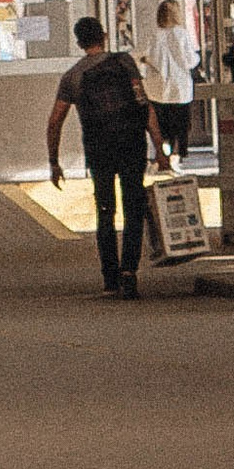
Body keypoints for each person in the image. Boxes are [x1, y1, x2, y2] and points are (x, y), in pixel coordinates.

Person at [46, 18, 154, 296]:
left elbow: (55, 121)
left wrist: (54, 162)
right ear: (104, 36)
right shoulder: (124, 63)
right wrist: (159, 144)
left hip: (99, 148)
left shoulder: (72, 77)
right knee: (133, 206)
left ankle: (110, 279)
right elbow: (143, 103)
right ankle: (129, 271)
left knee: (105, 210)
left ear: (79, 42)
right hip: (132, 144)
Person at [139, 0, 197, 169]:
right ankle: (176, 156)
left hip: (157, 90)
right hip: (180, 90)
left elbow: (144, 58)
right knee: (180, 127)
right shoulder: (182, 34)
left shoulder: (153, 35)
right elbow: (190, 61)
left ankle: (163, 157)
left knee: (161, 129)